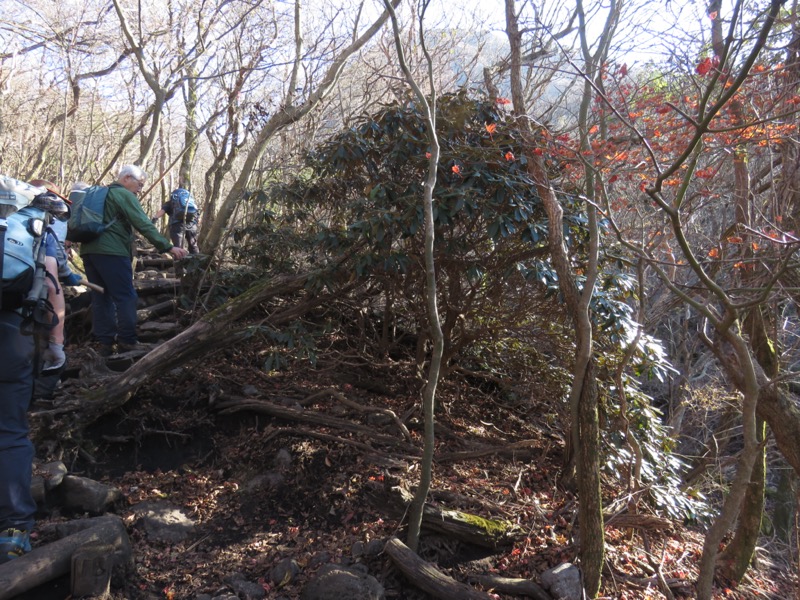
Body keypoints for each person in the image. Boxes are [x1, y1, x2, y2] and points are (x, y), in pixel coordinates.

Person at [0, 185, 66, 563]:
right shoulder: (33, 231)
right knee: (9, 433)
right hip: (13, 340)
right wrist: (56, 345)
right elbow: (54, 286)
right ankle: (12, 531)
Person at [80, 165, 188, 356]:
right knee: (126, 296)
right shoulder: (123, 195)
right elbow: (142, 223)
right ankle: (127, 341)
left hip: (89, 251)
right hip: (112, 252)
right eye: (139, 184)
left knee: (101, 297)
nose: (140, 189)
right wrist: (167, 246)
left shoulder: (100, 194)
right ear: (127, 178)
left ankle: (105, 343)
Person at [151, 187, 200, 254]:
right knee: (193, 245)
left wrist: (154, 219)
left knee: (178, 247)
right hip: (192, 225)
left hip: (177, 225)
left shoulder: (171, 202)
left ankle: (179, 263)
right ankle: (196, 262)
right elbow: (196, 213)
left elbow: (162, 211)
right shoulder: (190, 202)